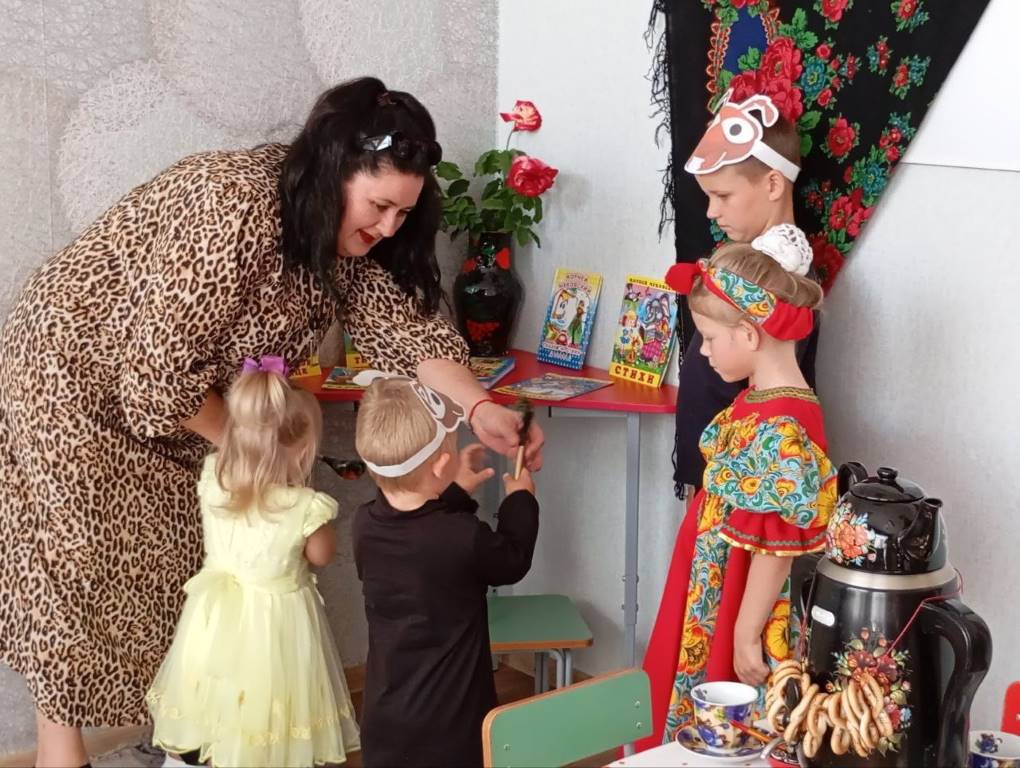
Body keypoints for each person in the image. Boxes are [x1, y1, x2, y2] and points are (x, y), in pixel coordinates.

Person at [0, 75, 543, 768]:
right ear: (336, 170)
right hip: (69, 373)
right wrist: (256, 451)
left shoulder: (340, 239)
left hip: (180, 398)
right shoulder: (233, 206)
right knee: (81, 568)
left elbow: (407, 333)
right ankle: (63, 753)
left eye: (403, 214)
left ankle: (182, 737)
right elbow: (156, 375)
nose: (388, 228)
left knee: (193, 566)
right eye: (379, 206)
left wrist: (481, 406)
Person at [636, 243, 837, 750]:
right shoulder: (761, 399)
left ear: (749, 334)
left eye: (708, 338)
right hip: (713, 576)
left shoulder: (785, 420)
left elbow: (776, 542)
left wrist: (747, 631)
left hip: (736, 593)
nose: (703, 352)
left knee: (732, 708)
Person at [146, 358, 360, 767]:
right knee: (268, 707)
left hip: (212, 619)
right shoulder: (304, 506)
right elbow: (322, 555)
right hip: (274, 629)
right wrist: (320, 526)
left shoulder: (215, 477)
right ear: (302, 451)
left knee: (209, 694)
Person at [351, 373, 539, 767]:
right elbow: (511, 559)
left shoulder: (364, 524)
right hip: (451, 721)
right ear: (440, 465)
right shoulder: (463, 536)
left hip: (386, 716)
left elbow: (418, 534)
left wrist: (453, 492)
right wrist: (521, 498)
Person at [673, 91, 820, 496]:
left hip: (746, 472)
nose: (711, 212)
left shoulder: (779, 277)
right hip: (719, 462)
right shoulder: (747, 263)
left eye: (722, 196)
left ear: (773, 183)